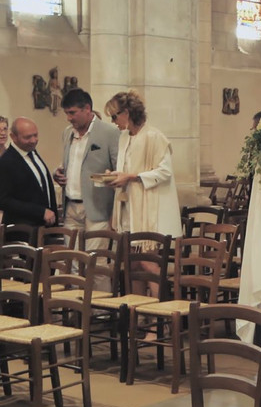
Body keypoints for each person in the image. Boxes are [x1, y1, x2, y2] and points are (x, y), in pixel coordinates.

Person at [104, 91, 182, 297]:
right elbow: (127, 167)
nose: (113, 122)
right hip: (129, 207)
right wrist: (114, 176)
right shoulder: (123, 137)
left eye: (114, 116)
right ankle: (138, 315)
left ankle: (160, 317)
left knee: (149, 264)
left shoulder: (154, 137)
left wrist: (130, 176)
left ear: (127, 113)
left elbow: (164, 172)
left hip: (149, 209)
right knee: (133, 265)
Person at [53, 89, 121, 263]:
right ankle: (75, 292)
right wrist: (59, 173)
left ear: (87, 109)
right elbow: (73, 164)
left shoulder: (109, 132)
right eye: (66, 113)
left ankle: (101, 292)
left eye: (72, 113)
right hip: (71, 207)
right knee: (72, 262)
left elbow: (119, 170)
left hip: (97, 207)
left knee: (96, 264)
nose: (69, 118)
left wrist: (115, 211)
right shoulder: (67, 133)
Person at [0, 118, 58, 235]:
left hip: (43, 228)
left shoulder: (32, 152)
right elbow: (3, 200)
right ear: (13, 137)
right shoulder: (6, 161)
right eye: (27, 137)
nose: (33, 140)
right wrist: (40, 212)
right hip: (23, 230)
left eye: (35, 135)